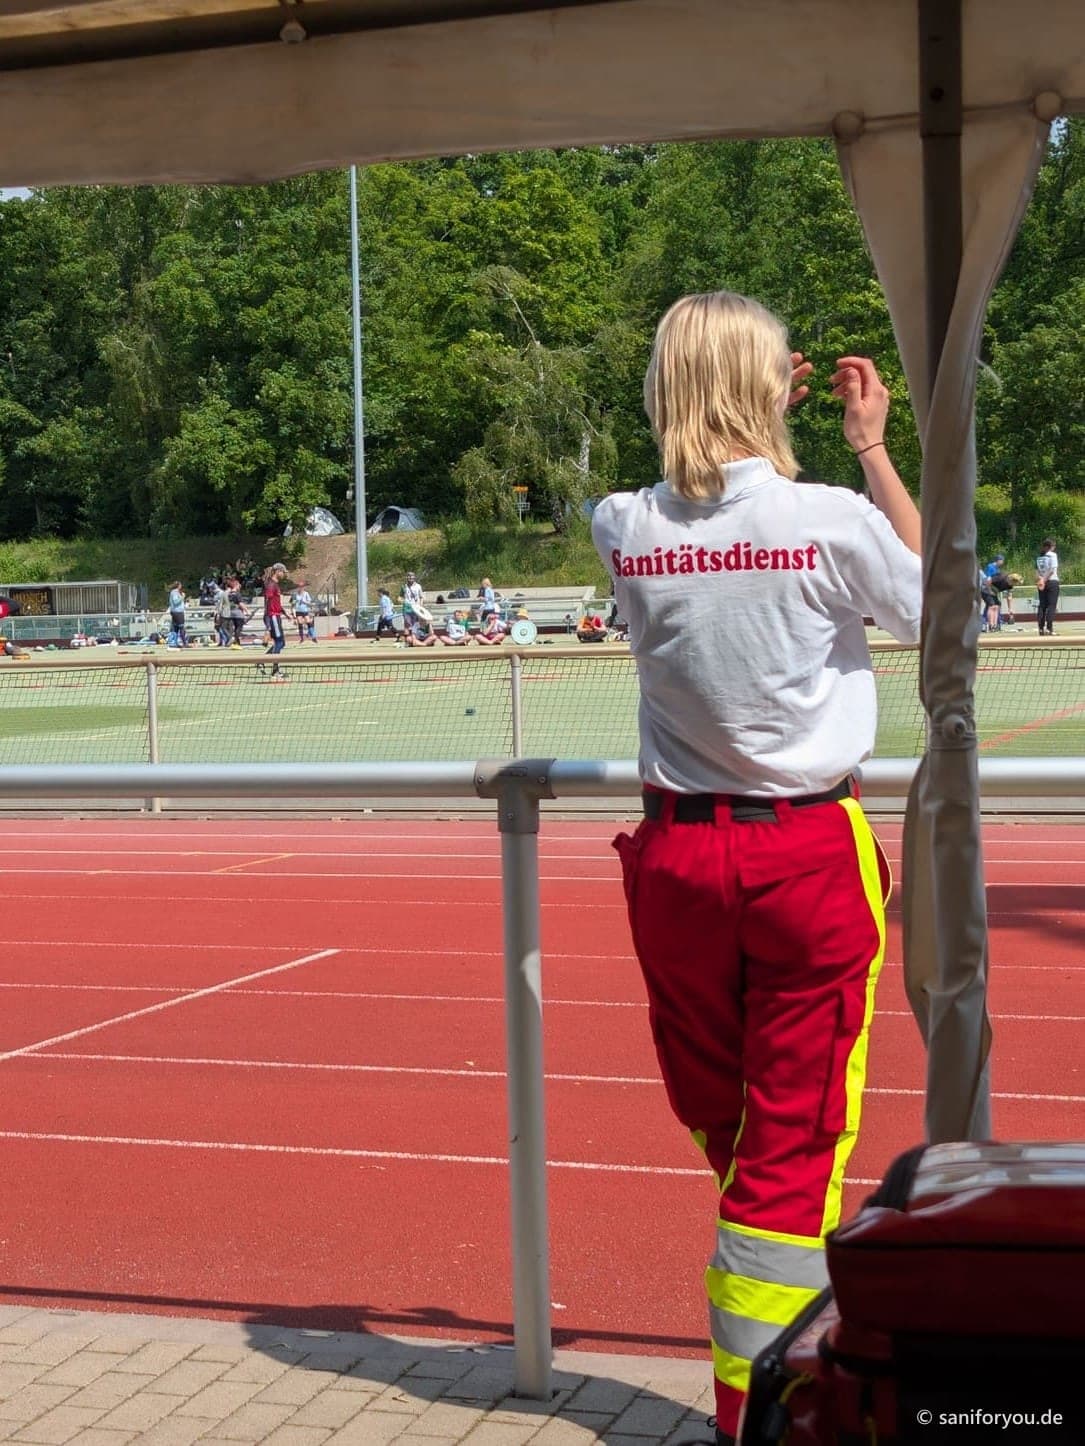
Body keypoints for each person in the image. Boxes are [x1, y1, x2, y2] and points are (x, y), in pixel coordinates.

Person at [592, 291, 921, 1446]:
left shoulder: (619, 524)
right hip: (802, 856)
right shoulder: (827, 517)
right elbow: (938, 614)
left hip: (678, 855)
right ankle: (762, 1413)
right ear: (767, 387)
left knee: (729, 1126)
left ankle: (774, 1339)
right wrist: (876, 451)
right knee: (784, 1157)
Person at [261, 563, 287, 676]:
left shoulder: (275, 585)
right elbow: (267, 603)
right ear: (277, 571)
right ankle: (275, 670)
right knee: (279, 642)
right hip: (272, 616)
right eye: (283, 572)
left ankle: (262, 661)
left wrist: (286, 614)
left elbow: (276, 603)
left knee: (281, 643)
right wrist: (268, 623)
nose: (284, 574)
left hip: (276, 615)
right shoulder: (271, 585)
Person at [1036, 536, 1059, 635]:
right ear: (1051, 546)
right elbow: (1052, 570)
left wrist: (1040, 580)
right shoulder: (1052, 555)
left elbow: (1036, 571)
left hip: (1041, 582)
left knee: (1042, 605)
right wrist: (1044, 580)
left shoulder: (1039, 557)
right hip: (1051, 581)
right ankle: (1049, 629)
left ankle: (1041, 629)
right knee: (1051, 605)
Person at [226, 577, 249, 647]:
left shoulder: (228, 594)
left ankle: (237, 643)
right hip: (238, 613)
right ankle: (234, 638)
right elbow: (240, 603)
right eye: (239, 585)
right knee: (239, 628)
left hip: (231, 613)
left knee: (235, 628)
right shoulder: (237, 594)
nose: (240, 586)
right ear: (236, 585)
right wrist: (247, 611)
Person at [167, 581, 187, 647]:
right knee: (181, 627)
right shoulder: (174, 592)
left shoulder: (175, 592)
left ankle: (175, 643)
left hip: (176, 611)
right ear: (178, 586)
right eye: (180, 585)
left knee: (176, 628)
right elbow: (176, 602)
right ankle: (184, 643)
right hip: (178, 612)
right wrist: (182, 597)